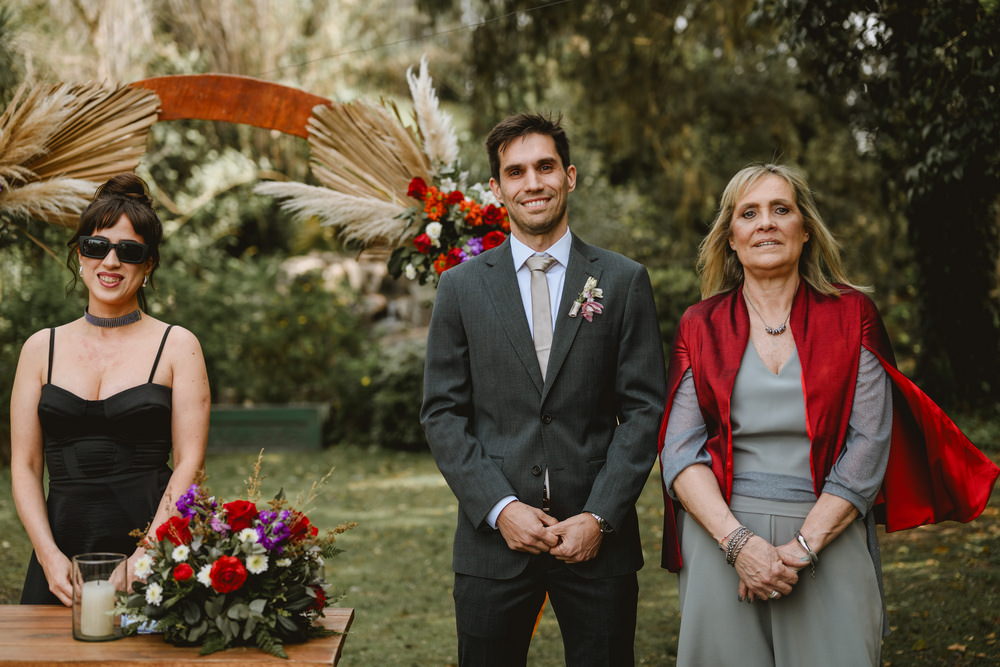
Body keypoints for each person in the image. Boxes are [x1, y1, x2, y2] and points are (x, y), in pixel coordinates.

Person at [658, 163, 999, 666]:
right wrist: (739, 546)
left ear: (806, 228)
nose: (766, 223)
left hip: (827, 535)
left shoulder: (852, 315)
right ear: (730, 237)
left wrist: (800, 547)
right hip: (720, 541)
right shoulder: (700, 324)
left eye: (781, 209)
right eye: (749, 213)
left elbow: (870, 443)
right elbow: (679, 451)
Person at [421, 113, 666, 666]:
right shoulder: (460, 288)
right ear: (497, 188)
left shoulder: (623, 281)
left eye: (545, 167)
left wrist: (600, 516)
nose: (533, 183)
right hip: (493, 544)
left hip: (597, 543)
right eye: (516, 171)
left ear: (570, 176)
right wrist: (501, 508)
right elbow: (441, 413)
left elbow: (646, 409)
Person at [11, 173, 210, 605]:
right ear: (80, 255)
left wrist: (147, 554)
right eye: (96, 246)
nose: (111, 262)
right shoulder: (39, 349)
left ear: (149, 263)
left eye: (130, 251)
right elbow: (24, 466)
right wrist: (48, 556)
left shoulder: (177, 346)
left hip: (152, 553)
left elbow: (189, 461)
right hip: (59, 556)